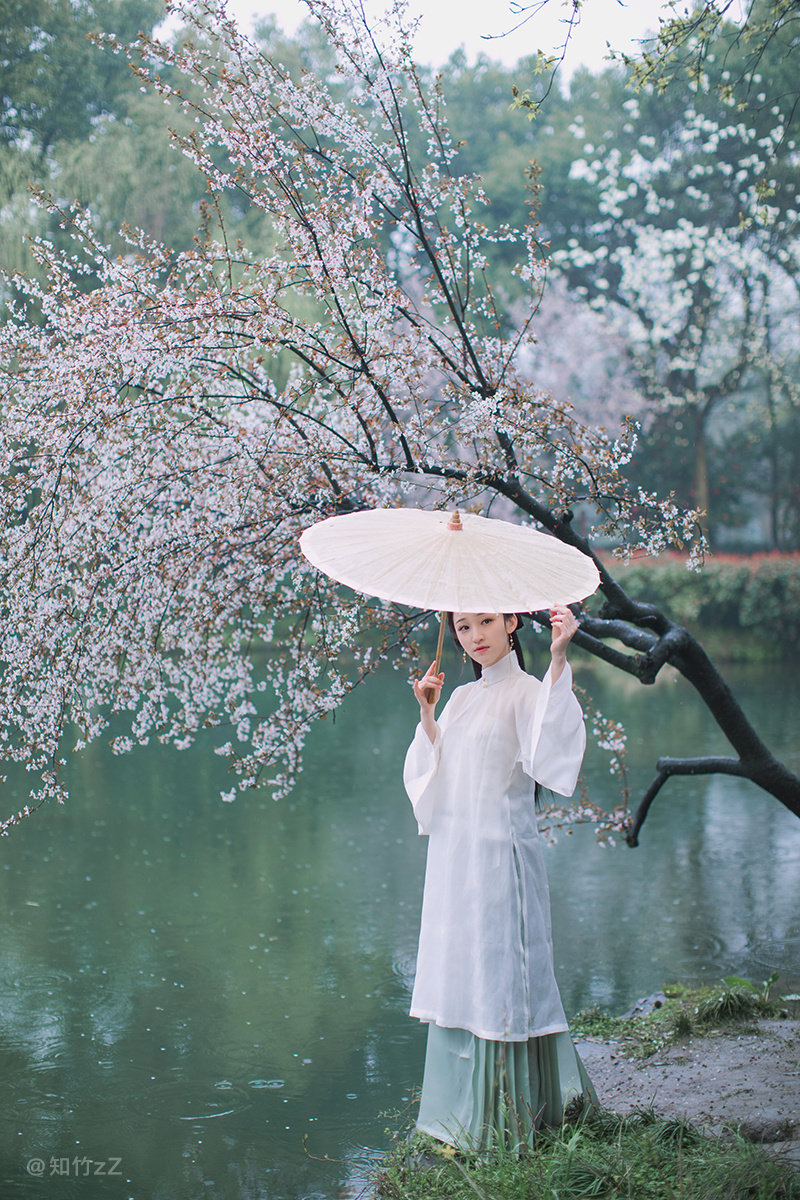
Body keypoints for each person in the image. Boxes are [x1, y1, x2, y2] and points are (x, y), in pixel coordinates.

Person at [403, 605, 597, 1152]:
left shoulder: (528, 691)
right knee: (463, 970)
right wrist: (427, 717)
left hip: (500, 858)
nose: (474, 637)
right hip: (456, 859)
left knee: (500, 973)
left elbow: (548, 756)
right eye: (463, 628)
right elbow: (436, 783)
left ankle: (509, 1120)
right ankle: (460, 1116)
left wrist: (559, 658)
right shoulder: (461, 698)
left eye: (485, 622)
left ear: (511, 622)